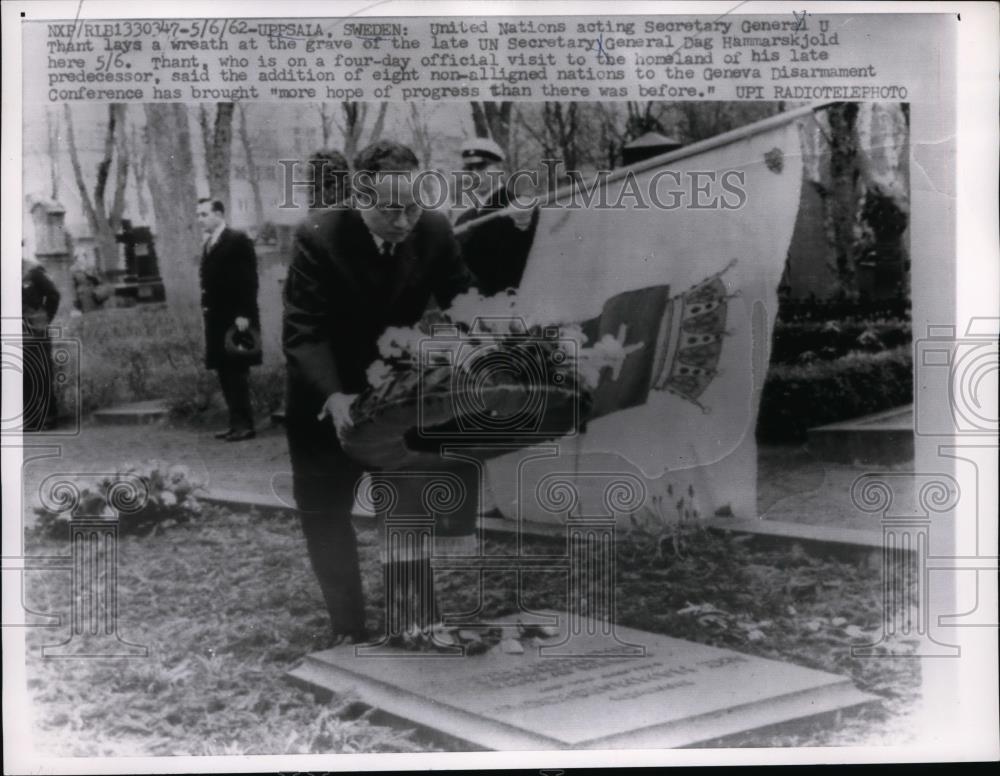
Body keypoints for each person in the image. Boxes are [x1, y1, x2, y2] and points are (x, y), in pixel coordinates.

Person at [282, 139, 477, 644]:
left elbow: (465, 303)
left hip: (394, 395)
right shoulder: (318, 235)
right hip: (324, 399)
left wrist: (493, 348)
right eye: (391, 209)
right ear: (359, 197)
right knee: (326, 514)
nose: (405, 220)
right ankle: (348, 627)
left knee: (406, 505)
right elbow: (303, 331)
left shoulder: (434, 229)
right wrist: (334, 395)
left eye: (413, 204)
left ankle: (416, 621)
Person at [197, 198, 261, 442]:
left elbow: (247, 279)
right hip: (216, 318)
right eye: (199, 215)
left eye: (204, 214)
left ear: (219, 214)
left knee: (236, 371)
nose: (200, 219)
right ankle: (235, 424)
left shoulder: (237, 240)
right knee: (225, 372)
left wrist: (244, 313)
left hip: (236, 318)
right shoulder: (209, 243)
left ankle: (245, 425)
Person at [453, 137, 539, 296]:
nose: (474, 174)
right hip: (470, 309)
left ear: (500, 168)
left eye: (481, 166)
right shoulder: (464, 218)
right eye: (469, 168)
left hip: (510, 306)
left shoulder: (520, 206)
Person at [21, 253, 61, 432]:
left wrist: (45, 318)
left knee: (41, 370)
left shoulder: (33, 272)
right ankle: (29, 419)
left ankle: (48, 416)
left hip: (35, 329)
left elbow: (53, 295)